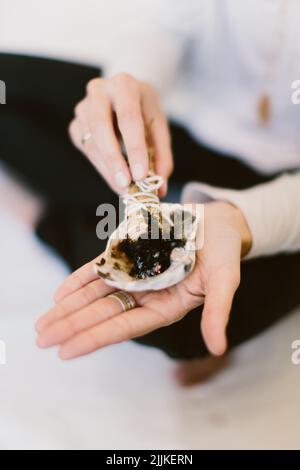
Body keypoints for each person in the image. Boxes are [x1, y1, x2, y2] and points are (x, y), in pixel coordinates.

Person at [1, 1, 300, 381]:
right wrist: (131, 90)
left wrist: (242, 221)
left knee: (184, 317)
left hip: (283, 190)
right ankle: (92, 214)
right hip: (183, 125)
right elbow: (168, 21)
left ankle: (56, 219)